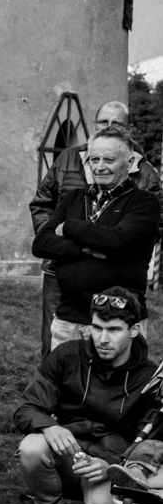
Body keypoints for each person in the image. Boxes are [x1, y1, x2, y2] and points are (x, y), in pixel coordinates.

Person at [12, 287, 161, 504]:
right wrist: (49, 426)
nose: (103, 338)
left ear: (134, 330)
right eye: (97, 327)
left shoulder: (151, 377)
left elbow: (150, 444)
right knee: (31, 448)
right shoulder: (67, 356)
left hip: (113, 465)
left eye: (114, 330)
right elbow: (26, 408)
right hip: (68, 456)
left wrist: (112, 467)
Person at [30, 103, 160, 358]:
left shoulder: (144, 202)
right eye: (94, 159)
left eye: (109, 160)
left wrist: (69, 227)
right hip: (70, 317)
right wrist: (84, 247)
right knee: (64, 391)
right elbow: (41, 243)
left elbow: (118, 240)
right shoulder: (73, 199)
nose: (100, 166)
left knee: (116, 393)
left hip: (118, 321)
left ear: (129, 162)